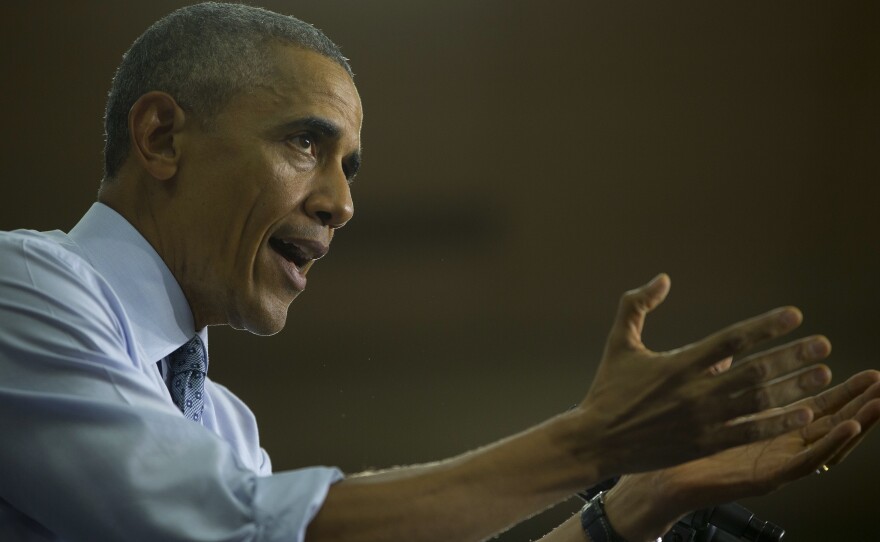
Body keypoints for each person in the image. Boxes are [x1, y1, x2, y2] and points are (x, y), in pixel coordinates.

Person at [0, 3, 877, 541]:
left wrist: (633, 504)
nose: (341, 203)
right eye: (307, 142)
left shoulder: (224, 427)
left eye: (351, 167)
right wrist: (592, 442)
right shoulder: (25, 288)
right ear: (160, 137)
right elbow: (238, 531)